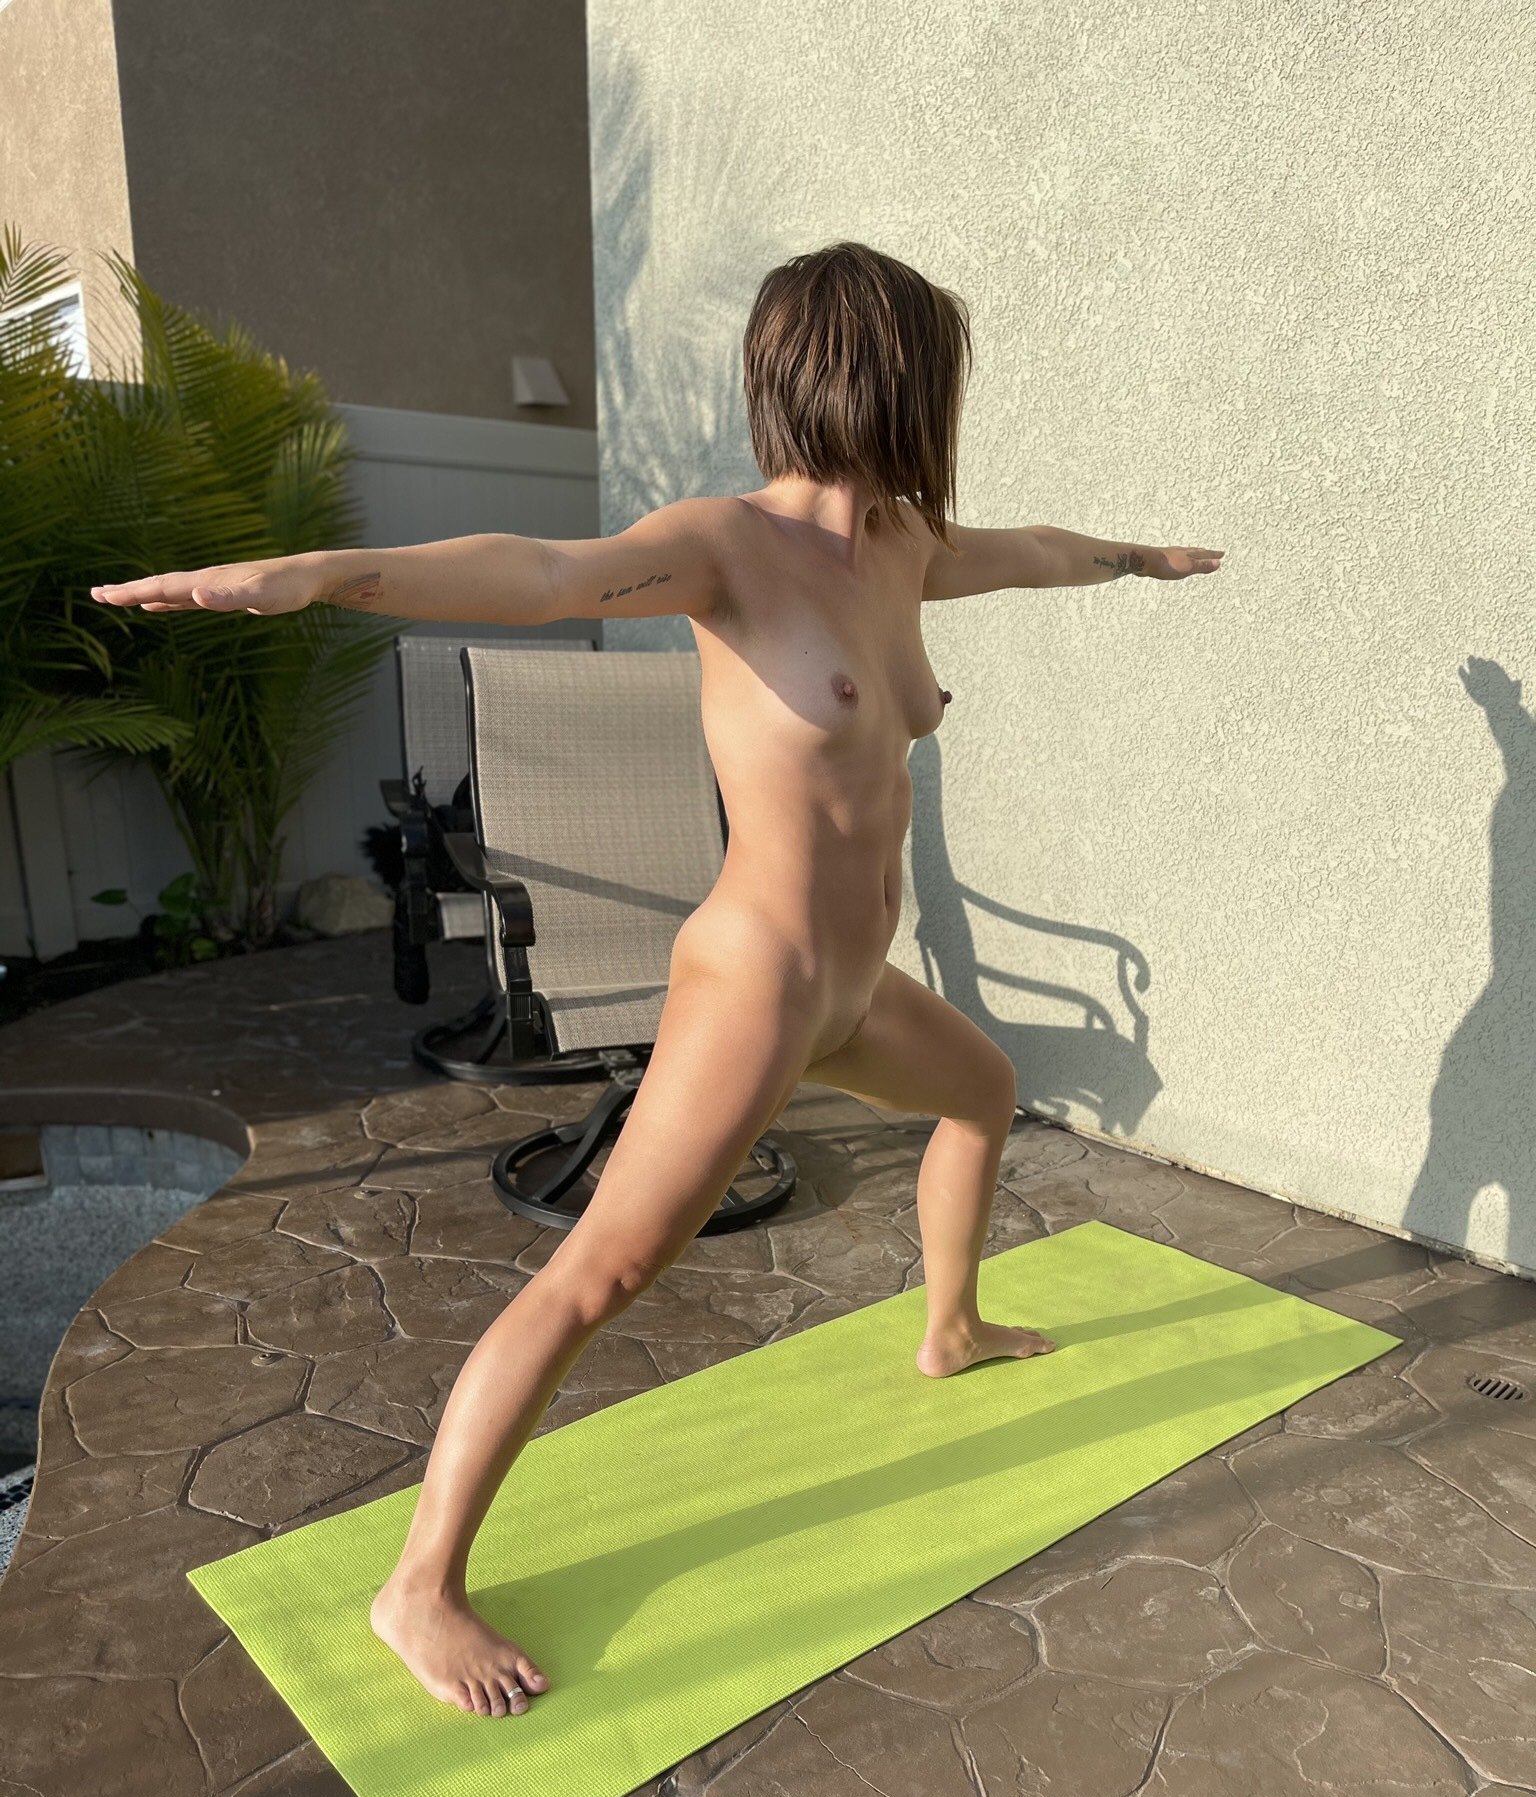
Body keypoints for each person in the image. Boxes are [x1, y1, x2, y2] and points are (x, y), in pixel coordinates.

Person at [91, 241, 1223, 1719]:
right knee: (605, 1272)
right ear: (879, 378)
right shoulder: (724, 546)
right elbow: (541, 574)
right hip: (758, 980)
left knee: (983, 1094)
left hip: (854, 984)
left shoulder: (903, 547)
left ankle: (948, 1331)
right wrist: (325, 577)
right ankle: (418, 1583)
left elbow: (1033, 548)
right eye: (935, 372)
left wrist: (1138, 560)